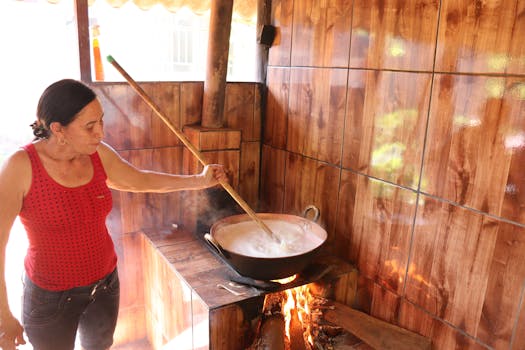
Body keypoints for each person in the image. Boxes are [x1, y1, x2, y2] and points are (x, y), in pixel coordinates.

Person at [0, 79, 228, 350]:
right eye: (89, 126)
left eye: (101, 122)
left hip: (105, 287)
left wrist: (199, 181)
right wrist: (4, 317)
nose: (100, 133)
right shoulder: (20, 167)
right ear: (58, 129)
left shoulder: (97, 155)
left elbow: (139, 180)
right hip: (50, 298)